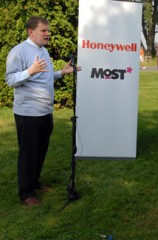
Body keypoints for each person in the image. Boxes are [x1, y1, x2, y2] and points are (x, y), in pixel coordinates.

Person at [5, 16, 80, 206]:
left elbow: (44, 78)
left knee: (40, 150)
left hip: (45, 111)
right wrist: (30, 71)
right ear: (31, 32)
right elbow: (10, 80)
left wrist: (61, 73)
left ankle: (34, 182)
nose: (48, 34)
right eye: (43, 31)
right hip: (28, 113)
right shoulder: (19, 52)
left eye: (48, 30)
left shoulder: (44, 51)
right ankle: (26, 193)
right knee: (28, 153)